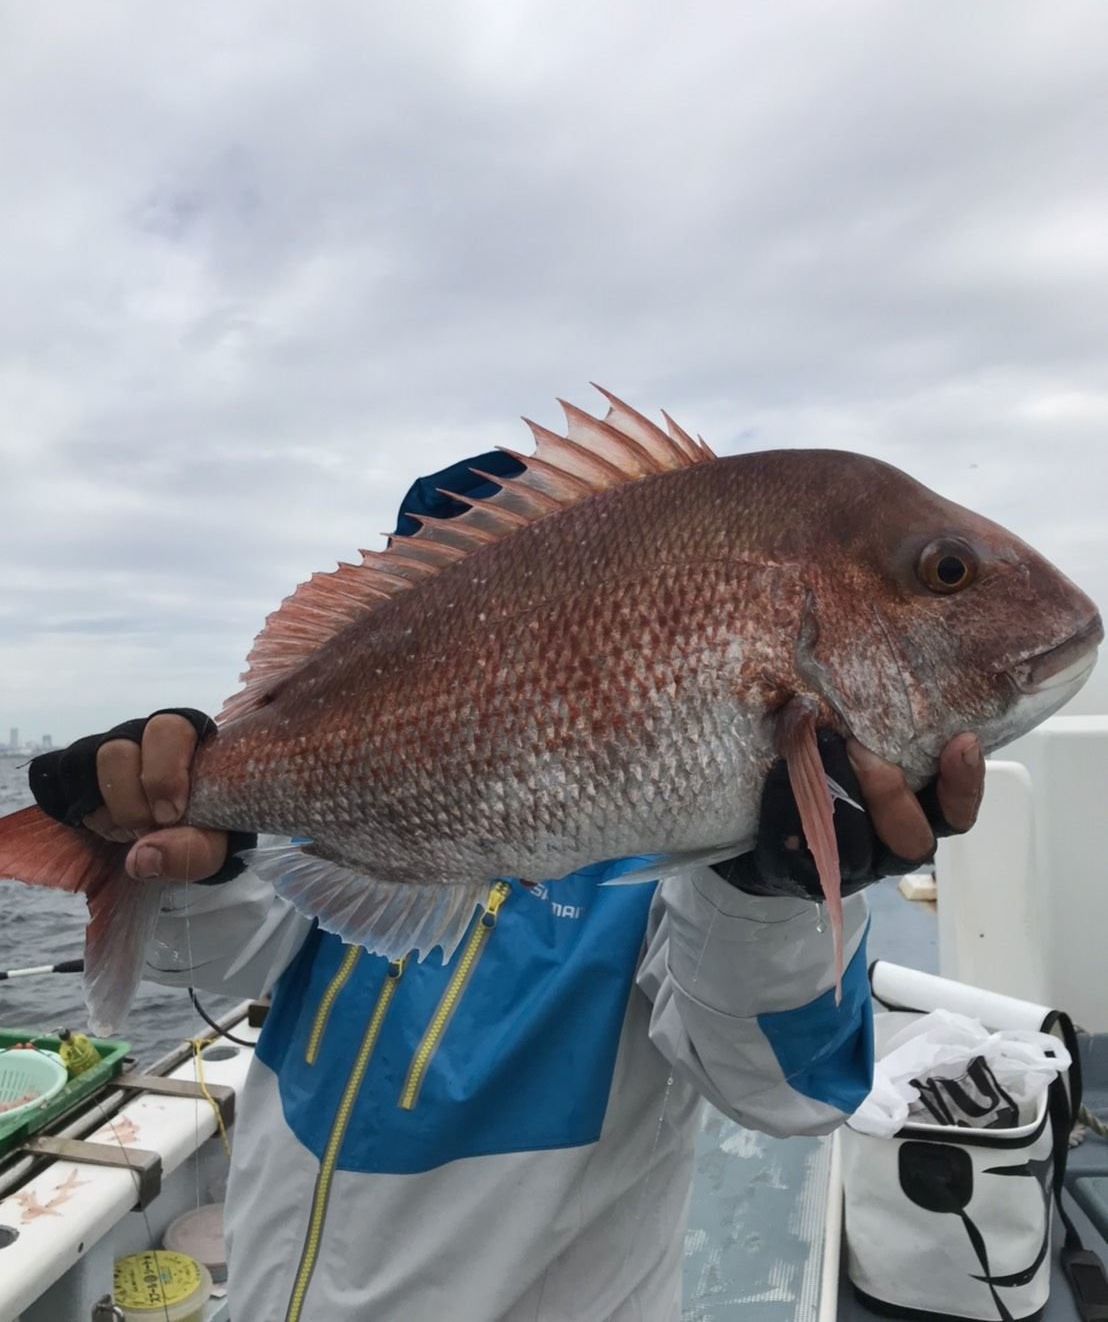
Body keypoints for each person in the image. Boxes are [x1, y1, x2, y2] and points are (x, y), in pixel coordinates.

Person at [28, 453, 984, 1322]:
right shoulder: (340, 808)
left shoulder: (687, 839)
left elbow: (786, 1095)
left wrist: (769, 895)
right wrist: (180, 851)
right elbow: (217, 955)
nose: (467, 642)